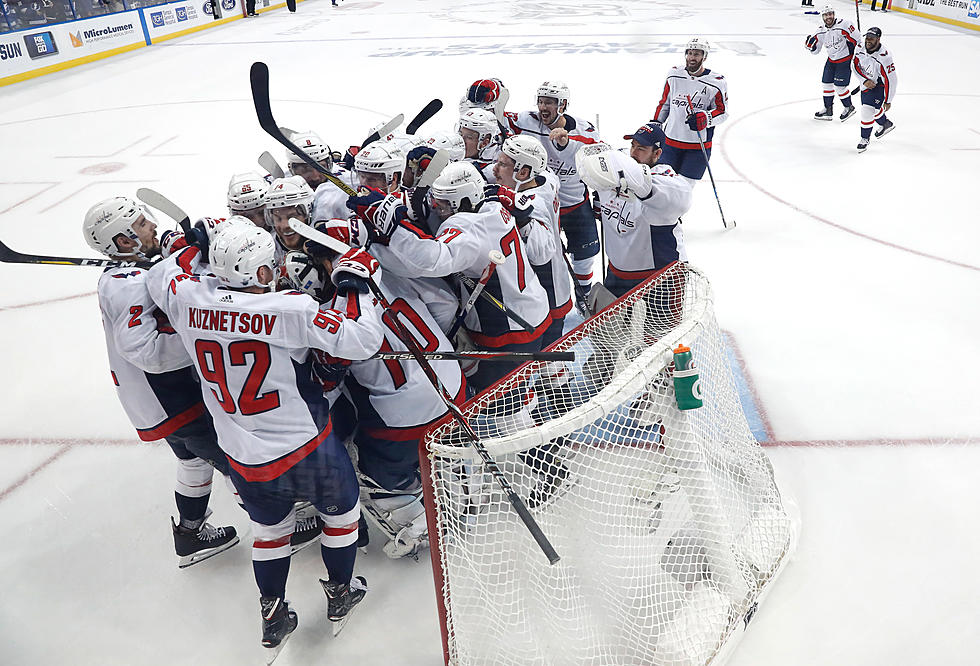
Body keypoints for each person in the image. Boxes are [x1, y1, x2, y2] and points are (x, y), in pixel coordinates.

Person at [144, 221, 385, 653]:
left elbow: (162, 273)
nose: (276, 267)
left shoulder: (187, 298)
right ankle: (340, 593)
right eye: (270, 264)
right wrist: (355, 285)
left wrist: (190, 246)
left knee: (270, 532)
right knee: (342, 517)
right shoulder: (287, 308)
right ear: (259, 273)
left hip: (243, 454)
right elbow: (362, 339)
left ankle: (272, 612)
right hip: (305, 447)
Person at [81, 196, 240, 568]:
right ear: (123, 241)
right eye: (140, 224)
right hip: (170, 398)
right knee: (239, 464)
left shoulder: (126, 274)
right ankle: (283, 530)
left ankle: (190, 534)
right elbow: (143, 348)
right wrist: (201, 338)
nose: (151, 226)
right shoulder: (127, 284)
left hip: (152, 401)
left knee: (193, 462)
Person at [348, 161, 550, 392]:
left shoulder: (468, 228)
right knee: (517, 384)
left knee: (503, 400)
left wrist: (393, 227)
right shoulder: (492, 206)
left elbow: (429, 259)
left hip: (509, 331)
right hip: (532, 310)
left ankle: (527, 422)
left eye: (444, 205)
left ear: (462, 202)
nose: (438, 210)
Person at [506, 81, 601, 294]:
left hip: (574, 204)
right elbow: (499, 117)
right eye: (540, 101)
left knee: (585, 256)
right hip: (540, 206)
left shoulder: (584, 130)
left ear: (563, 105)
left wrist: (567, 141)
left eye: (549, 102)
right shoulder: (526, 121)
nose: (542, 107)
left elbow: (599, 154)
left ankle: (583, 294)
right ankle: (544, 299)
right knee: (540, 256)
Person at [576, 123, 692, 299]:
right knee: (614, 326)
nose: (633, 152)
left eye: (641, 148)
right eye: (633, 146)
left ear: (657, 153)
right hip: (618, 272)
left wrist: (630, 180)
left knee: (661, 327)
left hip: (659, 277)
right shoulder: (617, 169)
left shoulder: (666, 179)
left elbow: (681, 196)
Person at [491, 134, 568, 347]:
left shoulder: (536, 205)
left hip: (549, 289)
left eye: (502, 164)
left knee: (550, 359)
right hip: (556, 283)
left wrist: (523, 216)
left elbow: (541, 255)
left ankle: (558, 380)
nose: (494, 169)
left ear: (523, 172)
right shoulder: (546, 179)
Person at [651, 37, 729, 187]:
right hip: (670, 143)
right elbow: (665, 102)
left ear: (704, 57)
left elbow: (722, 112)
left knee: (683, 190)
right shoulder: (674, 74)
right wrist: (656, 123)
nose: (692, 58)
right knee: (663, 186)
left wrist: (705, 118)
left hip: (698, 148)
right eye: (690, 53)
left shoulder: (717, 82)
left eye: (697, 54)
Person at [804, 5, 859, 121]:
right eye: (826, 15)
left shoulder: (844, 25)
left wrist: (860, 55)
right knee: (826, 84)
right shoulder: (820, 31)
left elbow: (858, 41)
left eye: (830, 14)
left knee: (840, 87)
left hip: (844, 60)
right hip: (831, 60)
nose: (828, 17)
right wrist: (811, 48)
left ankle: (849, 107)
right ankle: (828, 110)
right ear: (822, 17)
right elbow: (816, 51)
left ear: (834, 14)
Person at [852, 26, 897, 153]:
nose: (868, 41)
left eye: (872, 38)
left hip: (879, 86)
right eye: (867, 37)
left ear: (878, 39)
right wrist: (863, 80)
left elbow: (891, 80)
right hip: (866, 83)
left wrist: (888, 100)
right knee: (874, 110)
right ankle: (885, 123)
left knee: (867, 111)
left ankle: (864, 139)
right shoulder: (860, 47)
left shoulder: (885, 57)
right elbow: (854, 64)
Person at [458, 107, 502, 182]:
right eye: (461, 134)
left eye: (469, 137)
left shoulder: (503, 156)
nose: (461, 140)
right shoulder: (453, 149)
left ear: (484, 142)